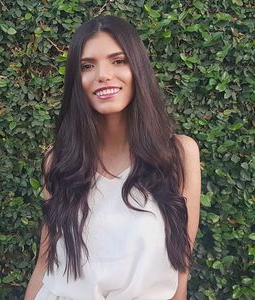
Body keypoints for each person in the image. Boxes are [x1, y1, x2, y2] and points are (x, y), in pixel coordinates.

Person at [25, 15, 201, 300]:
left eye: (118, 61)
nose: (103, 75)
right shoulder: (58, 161)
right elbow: (45, 263)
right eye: (87, 66)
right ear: (76, 79)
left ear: (137, 68)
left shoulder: (178, 154)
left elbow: (181, 266)